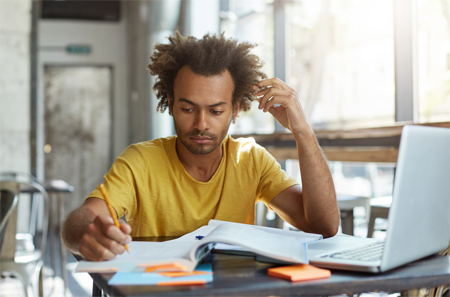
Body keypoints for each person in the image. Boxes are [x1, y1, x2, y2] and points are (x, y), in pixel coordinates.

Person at [62, 32, 339, 261]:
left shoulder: (251, 160)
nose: (201, 124)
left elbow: (323, 226)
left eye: (216, 111)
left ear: (235, 110)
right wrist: (89, 233)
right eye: (187, 108)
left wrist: (302, 131)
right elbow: (82, 219)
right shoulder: (140, 161)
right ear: (169, 103)